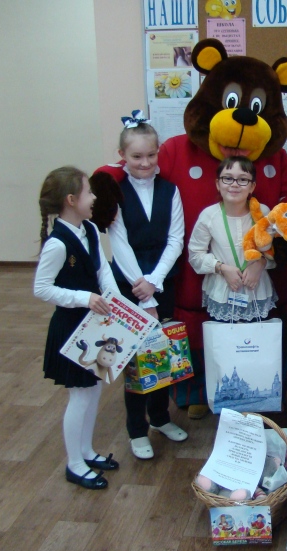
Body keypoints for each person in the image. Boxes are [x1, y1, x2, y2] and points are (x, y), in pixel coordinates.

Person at [34, 167, 119, 490]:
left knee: (93, 389)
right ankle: (74, 463)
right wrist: (84, 298)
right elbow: (42, 288)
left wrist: (114, 298)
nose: (94, 197)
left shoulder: (90, 230)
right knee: (80, 397)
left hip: (93, 324)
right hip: (71, 327)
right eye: (89, 192)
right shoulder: (57, 244)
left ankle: (86, 452)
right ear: (71, 200)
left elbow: (102, 269)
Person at [109, 116, 187, 460]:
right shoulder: (115, 193)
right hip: (129, 284)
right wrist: (142, 288)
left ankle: (160, 417)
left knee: (162, 352)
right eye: (137, 156)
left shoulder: (170, 190)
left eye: (151, 155)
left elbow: (176, 239)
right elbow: (119, 242)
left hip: (162, 279)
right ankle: (136, 429)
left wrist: (154, 282)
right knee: (135, 359)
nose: (145, 163)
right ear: (122, 155)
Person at [188, 156, 277, 321]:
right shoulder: (209, 215)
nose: (234, 184)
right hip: (223, 291)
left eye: (243, 179)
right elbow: (195, 255)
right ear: (218, 184)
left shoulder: (263, 213)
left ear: (252, 186)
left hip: (257, 289)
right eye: (228, 178)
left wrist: (261, 264)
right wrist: (221, 268)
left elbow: (278, 250)